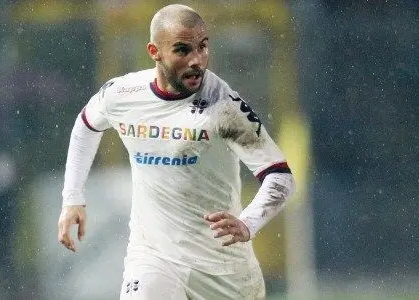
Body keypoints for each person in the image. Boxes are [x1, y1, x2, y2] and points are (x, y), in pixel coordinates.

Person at [57, 4, 295, 300]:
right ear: (154, 51)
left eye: (203, 47)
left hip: (222, 269)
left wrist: (248, 223)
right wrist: (73, 199)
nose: (197, 60)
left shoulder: (224, 107)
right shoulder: (122, 94)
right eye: (183, 50)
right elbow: (85, 127)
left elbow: (280, 178)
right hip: (154, 257)